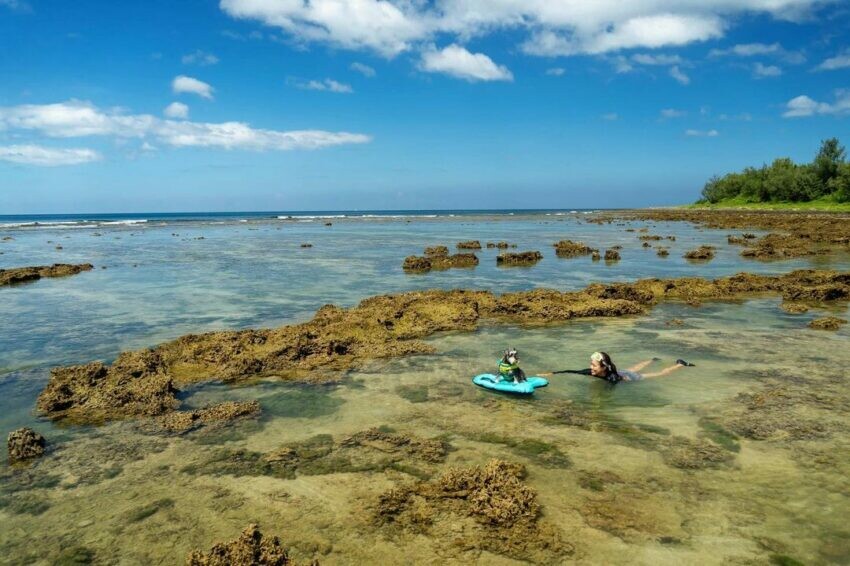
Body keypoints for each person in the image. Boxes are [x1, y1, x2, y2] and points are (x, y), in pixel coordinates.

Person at [543, 351, 694, 383]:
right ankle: (652, 359)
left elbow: (613, 388)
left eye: (594, 365)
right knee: (634, 366)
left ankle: (680, 364)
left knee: (659, 374)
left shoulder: (613, 378)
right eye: (591, 364)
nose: (590, 368)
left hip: (630, 378)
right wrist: (552, 373)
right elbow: (572, 371)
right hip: (622, 372)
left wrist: (626, 380)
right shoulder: (593, 372)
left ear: (603, 367)